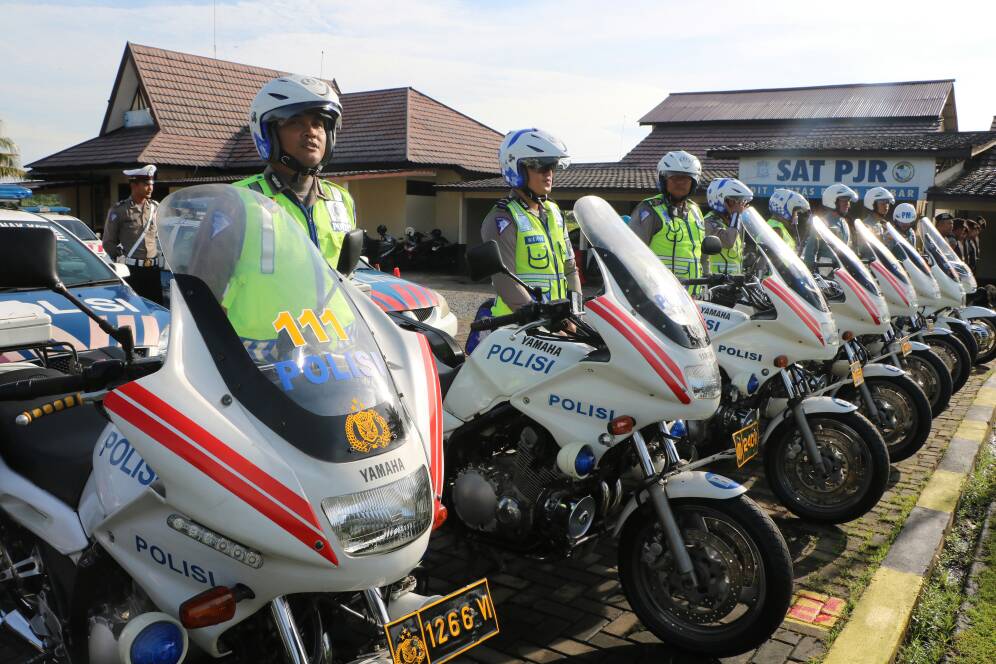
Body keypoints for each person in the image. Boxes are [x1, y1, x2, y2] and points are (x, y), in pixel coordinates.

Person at [236, 74, 356, 269]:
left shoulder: (342, 200)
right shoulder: (238, 199)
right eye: (295, 122)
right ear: (268, 133)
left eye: (318, 124)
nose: (312, 132)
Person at [480, 128, 580, 321]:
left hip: (556, 324)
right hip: (517, 327)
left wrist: (576, 313)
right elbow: (503, 279)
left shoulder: (554, 213)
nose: (549, 173)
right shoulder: (503, 218)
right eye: (541, 166)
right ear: (516, 168)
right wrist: (542, 318)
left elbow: (570, 269)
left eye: (552, 166)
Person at [629, 150, 707, 283]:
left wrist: (708, 280)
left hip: (694, 291)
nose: (680, 183)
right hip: (660, 290)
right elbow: (633, 252)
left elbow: (703, 256)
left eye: (686, 179)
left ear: (694, 183)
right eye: (674, 178)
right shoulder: (650, 209)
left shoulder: (695, 211)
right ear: (663, 180)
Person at [102, 164, 164, 304]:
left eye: (152, 184)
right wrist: (120, 258)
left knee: (156, 309)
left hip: (153, 271)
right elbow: (108, 242)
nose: (150, 188)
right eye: (146, 184)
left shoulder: (155, 208)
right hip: (131, 271)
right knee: (133, 307)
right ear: (134, 185)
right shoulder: (119, 210)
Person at [703, 178, 753, 275]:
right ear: (719, 200)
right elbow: (728, 242)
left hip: (732, 280)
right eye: (734, 201)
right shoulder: (709, 222)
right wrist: (736, 214)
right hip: (714, 279)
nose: (739, 205)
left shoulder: (732, 223)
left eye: (741, 201)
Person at [767, 188, 809, 252]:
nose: (796, 216)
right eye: (795, 212)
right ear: (785, 209)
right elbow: (774, 255)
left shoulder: (774, 225)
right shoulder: (776, 230)